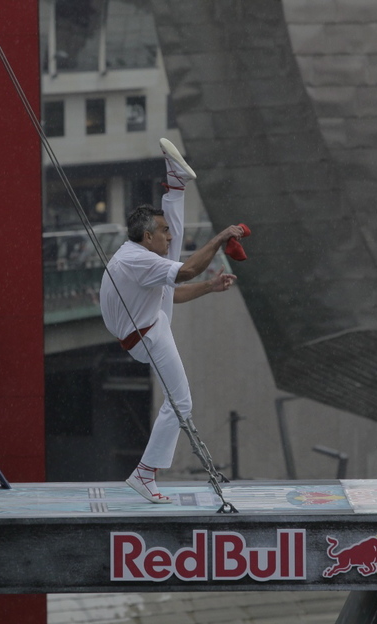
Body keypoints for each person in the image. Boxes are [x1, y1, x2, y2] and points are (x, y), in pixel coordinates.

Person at [99, 138, 244, 503]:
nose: (170, 235)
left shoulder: (138, 255)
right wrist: (221, 237)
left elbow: (172, 294)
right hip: (146, 337)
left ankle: (175, 186)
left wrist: (210, 286)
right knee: (180, 403)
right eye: (163, 232)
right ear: (147, 237)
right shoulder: (139, 261)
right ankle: (144, 474)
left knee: (176, 259)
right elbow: (188, 270)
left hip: (148, 325)